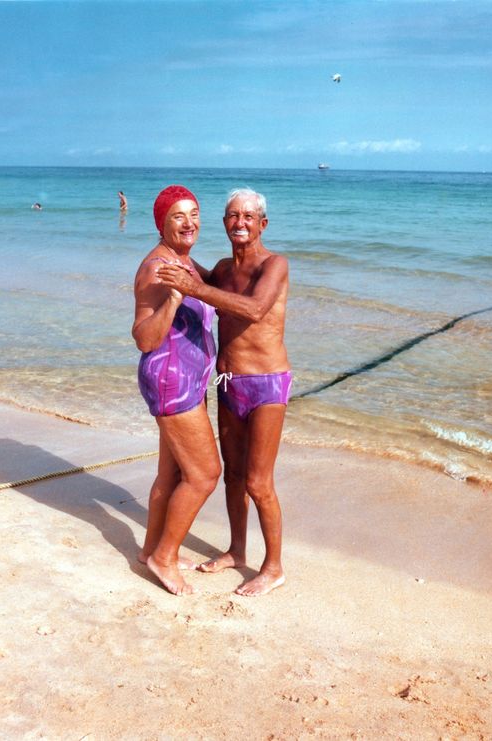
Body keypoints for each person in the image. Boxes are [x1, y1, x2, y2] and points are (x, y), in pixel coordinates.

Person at [157, 188, 290, 597]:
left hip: (266, 383)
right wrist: (167, 247)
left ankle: (273, 567)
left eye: (249, 217)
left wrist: (192, 286)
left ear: (262, 223)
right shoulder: (220, 269)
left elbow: (251, 309)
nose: (241, 223)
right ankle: (236, 549)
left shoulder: (275, 265)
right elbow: (194, 275)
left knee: (257, 480)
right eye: (233, 216)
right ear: (224, 222)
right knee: (232, 476)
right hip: (229, 383)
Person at [132, 185, 221, 595]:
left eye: (195, 214)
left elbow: (214, 285)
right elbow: (144, 338)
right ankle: (164, 557)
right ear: (162, 223)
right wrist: (172, 301)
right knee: (204, 475)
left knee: (171, 472)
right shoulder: (157, 267)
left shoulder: (180, 260)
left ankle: (151, 549)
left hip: (187, 379)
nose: (190, 223)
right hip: (172, 381)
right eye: (179, 216)